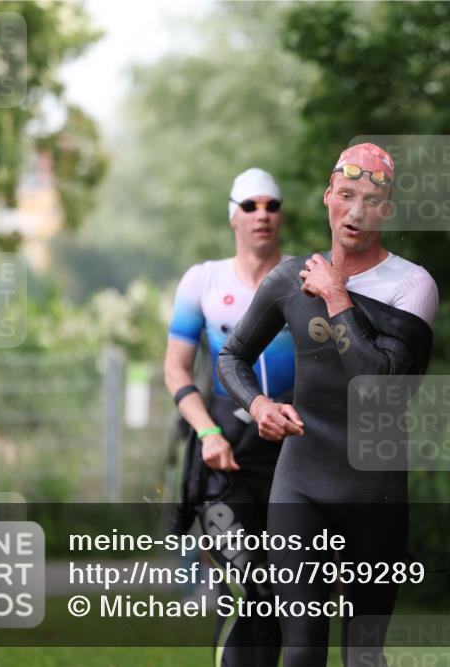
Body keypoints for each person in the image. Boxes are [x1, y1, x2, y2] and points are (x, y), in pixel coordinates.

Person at [217, 143, 438, 666]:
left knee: (362, 655)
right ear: (327, 198)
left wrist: (337, 295)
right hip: (300, 485)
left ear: (388, 209)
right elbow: (232, 358)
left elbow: (378, 383)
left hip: (374, 493)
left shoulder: (413, 286)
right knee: (300, 652)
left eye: (371, 199)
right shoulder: (290, 279)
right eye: (346, 195)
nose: (356, 211)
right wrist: (260, 406)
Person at [164, 167, 293, 667]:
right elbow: (175, 368)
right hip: (224, 454)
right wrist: (208, 432)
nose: (262, 214)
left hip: (289, 456)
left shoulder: (304, 278)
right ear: (233, 217)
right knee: (252, 583)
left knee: (285, 591)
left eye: (271, 205)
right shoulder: (204, 280)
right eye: (250, 205)